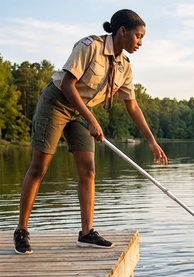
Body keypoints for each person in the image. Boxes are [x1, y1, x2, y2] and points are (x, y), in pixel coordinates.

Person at [13, 9, 167, 255]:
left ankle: (86, 234)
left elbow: (133, 106)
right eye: (138, 36)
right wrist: (92, 120)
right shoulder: (90, 46)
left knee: (89, 169)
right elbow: (67, 84)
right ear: (122, 31)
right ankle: (21, 230)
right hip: (56, 103)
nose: (140, 42)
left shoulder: (125, 66)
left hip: (80, 112)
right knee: (39, 167)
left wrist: (151, 141)